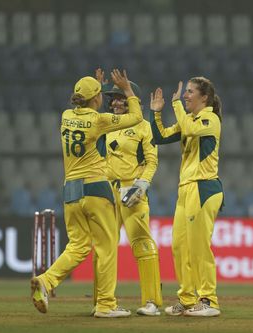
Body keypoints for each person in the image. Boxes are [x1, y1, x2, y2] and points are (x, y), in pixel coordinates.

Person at [30, 70, 143, 318]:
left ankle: (46, 281)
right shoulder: (99, 120)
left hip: (70, 191)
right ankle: (105, 305)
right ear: (96, 99)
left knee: (78, 246)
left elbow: (88, 103)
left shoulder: (66, 115)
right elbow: (136, 117)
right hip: (96, 188)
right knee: (106, 247)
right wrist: (127, 90)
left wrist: (97, 86)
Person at [90, 68, 163, 316]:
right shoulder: (106, 123)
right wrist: (96, 90)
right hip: (106, 190)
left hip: (132, 189)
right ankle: (102, 302)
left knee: (142, 243)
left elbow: (152, 161)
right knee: (103, 247)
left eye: (121, 97)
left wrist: (142, 184)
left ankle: (152, 302)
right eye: (113, 98)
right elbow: (89, 118)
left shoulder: (143, 127)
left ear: (133, 101)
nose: (117, 102)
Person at [149, 77, 223, 317]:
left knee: (199, 247)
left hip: (203, 188)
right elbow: (159, 137)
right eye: (185, 92)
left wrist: (175, 104)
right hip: (186, 189)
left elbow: (190, 129)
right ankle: (189, 299)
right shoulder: (189, 119)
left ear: (205, 98)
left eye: (190, 92)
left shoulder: (210, 119)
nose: (185, 95)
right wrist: (156, 114)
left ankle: (209, 301)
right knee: (180, 247)